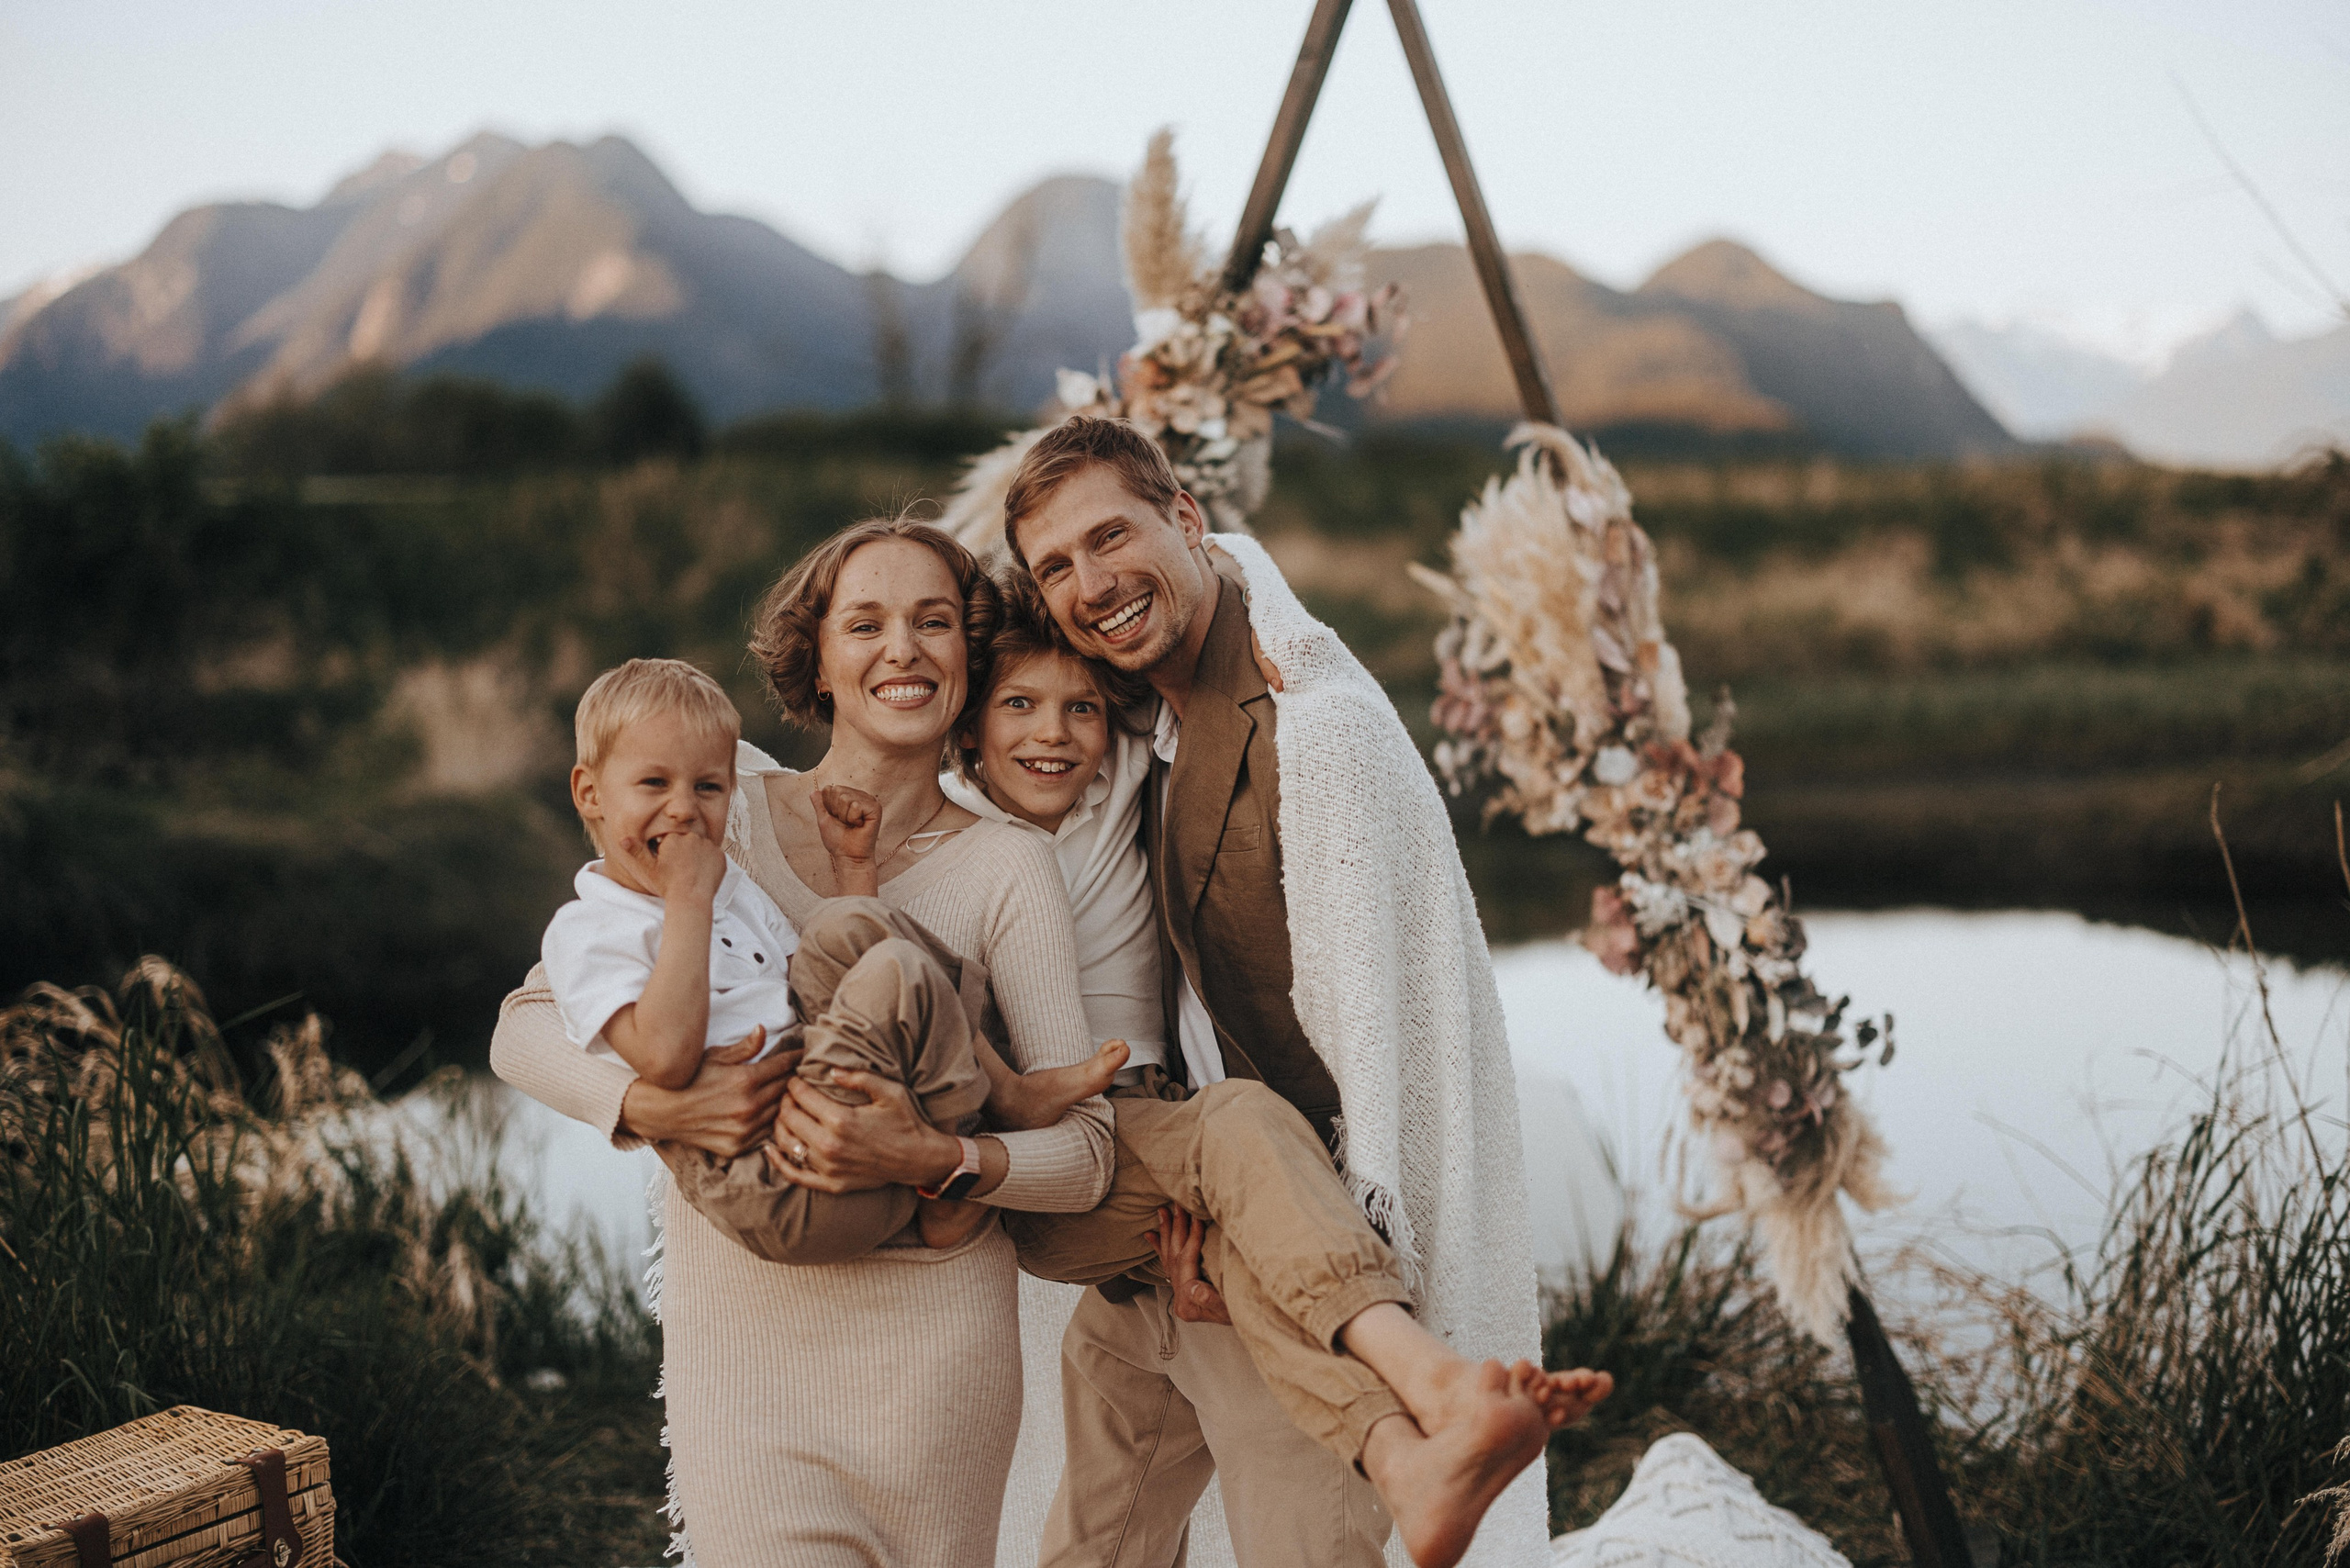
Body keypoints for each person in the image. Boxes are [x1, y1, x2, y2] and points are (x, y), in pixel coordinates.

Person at [757, 598, 1611, 1568]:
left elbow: (1200, 585)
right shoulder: (968, 845)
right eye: (1020, 707)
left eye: (1080, 708)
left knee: (1113, 1504)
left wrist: (1285, 645)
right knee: (1239, 1125)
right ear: (970, 730)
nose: (1052, 732)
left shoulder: (1119, 775)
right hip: (1062, 1156)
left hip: (1153, 1152)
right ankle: (1427, 1388)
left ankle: (1405, 1454)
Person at [491, 513, 1121, 1568]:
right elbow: (522, 1029)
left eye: (933, 623)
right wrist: (657, 1106)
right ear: (817, 659)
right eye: (864, 622)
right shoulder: (714, 805)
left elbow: (1088, 1157)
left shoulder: (1009, 868)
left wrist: (937, 1159)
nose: (902, 649)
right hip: (744, 1362)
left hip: (934, 1368)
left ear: (969, 655)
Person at [993, 416, 1561, 1568]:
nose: (1090, 583)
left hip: (1269, 1225)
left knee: (1307, 1542)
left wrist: (1274, 1256)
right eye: (1055, 566)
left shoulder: (1314, 730)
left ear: (1189, 520)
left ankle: (1426, 1419)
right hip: (1150, 1216)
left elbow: (1369, 1027)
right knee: (1090, 1537)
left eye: (1111, 536)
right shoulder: (1112, 727)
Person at [539, 655, 1120, 1260]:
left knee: (853, 923)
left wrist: (854, 877)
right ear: (590, 794)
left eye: (707, 787)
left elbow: (827, 981)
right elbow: (664, 1060)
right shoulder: (587, 930)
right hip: (772, 1176)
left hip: (826, 1108)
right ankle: (949, 1186)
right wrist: (689, 902)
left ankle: (1002, 1098)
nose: (685, 809)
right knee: (892, 965)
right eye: (654, 784)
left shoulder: (728, 884)